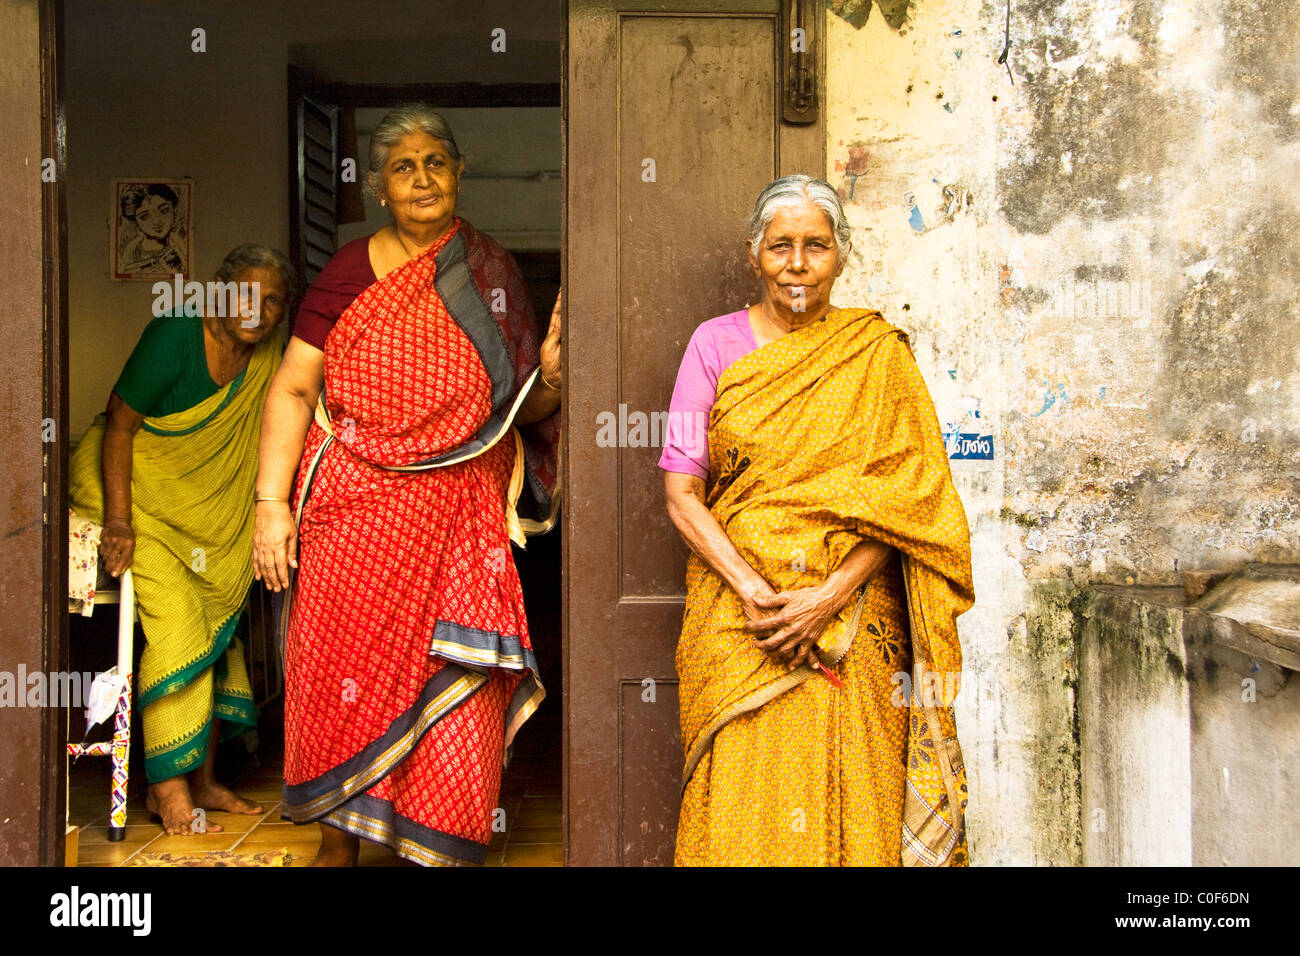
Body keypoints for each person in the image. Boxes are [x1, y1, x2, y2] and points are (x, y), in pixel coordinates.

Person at [254, 104, 561, 867]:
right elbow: (294, 389)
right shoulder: (348, 272)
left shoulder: (489, 273)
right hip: (351, 514)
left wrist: (555, 377)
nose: (422, 178)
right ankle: (338, 842)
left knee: (460, 680)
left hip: (460, 520)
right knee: (338, 674)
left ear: (457, 173)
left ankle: (433, 840)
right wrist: (269, 507)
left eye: (435, 162)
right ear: (379, 189)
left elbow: (522, 408)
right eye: (403, 167)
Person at [660, 175, 975, 866]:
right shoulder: (711, 347)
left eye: (815, 246)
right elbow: (682, 493)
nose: (797, 263)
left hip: (853, 620)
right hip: (743, 618)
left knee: (856, 787)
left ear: (840, 255)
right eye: (780, 247)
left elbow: (915, 502)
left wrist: (827, 598)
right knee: (744, 795)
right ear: (754, 254)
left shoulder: (877, 354)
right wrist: (757, 595)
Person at [69, 244, 294, 834]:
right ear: (219, 288)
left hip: (200, 516)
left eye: (274, 301)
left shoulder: (268, 351)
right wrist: (118, 521)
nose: (260, 310)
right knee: (178, 624)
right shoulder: (174, 332)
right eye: (248, 292)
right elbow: (119, 423)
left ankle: (205, 782)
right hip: (133, 490)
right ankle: (163, 790)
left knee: (222, 627)